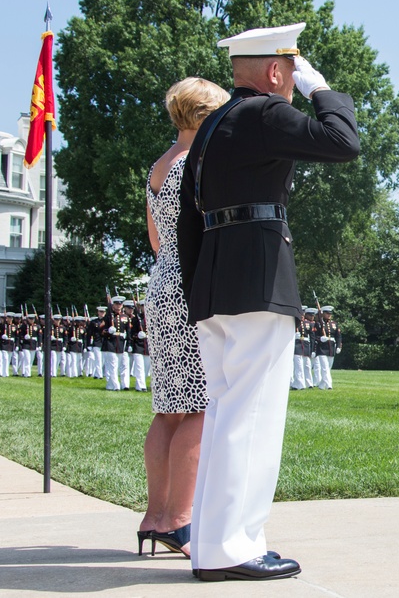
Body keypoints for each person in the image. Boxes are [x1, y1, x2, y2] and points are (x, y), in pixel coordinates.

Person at [177, 21, 360, 581]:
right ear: (278, 71)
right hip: (258, 281)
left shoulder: (208, 128)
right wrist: (321, 91)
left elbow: (189, 219)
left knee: (227, 416)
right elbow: (343, 143)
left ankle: (213, 545)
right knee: (252, 418)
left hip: (215, 285)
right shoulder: (264, 112)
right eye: (292, 71)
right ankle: (234, 547)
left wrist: (196, 291)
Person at [139, 77, 229, 560]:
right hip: (191, 283)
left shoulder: (159, 166)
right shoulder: (199, 164)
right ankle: (178, 519)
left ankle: (154, 517)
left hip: (160, 281)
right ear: (204, 113)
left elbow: (156, 240)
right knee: (197, 404)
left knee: (169, 407)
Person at [314, 306, 341, 390]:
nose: (329, 315)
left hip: (331, 347)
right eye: (327, 313)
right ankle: (329, 385)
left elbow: (338, 336)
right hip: (322, 348)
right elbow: (314, 336)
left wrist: (339, 346)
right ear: (323, 314)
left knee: (328, 367)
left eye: (330, 314)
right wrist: (320, 338)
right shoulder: (318, 324)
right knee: (325, 367)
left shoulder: (334, 324)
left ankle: (321, 385)